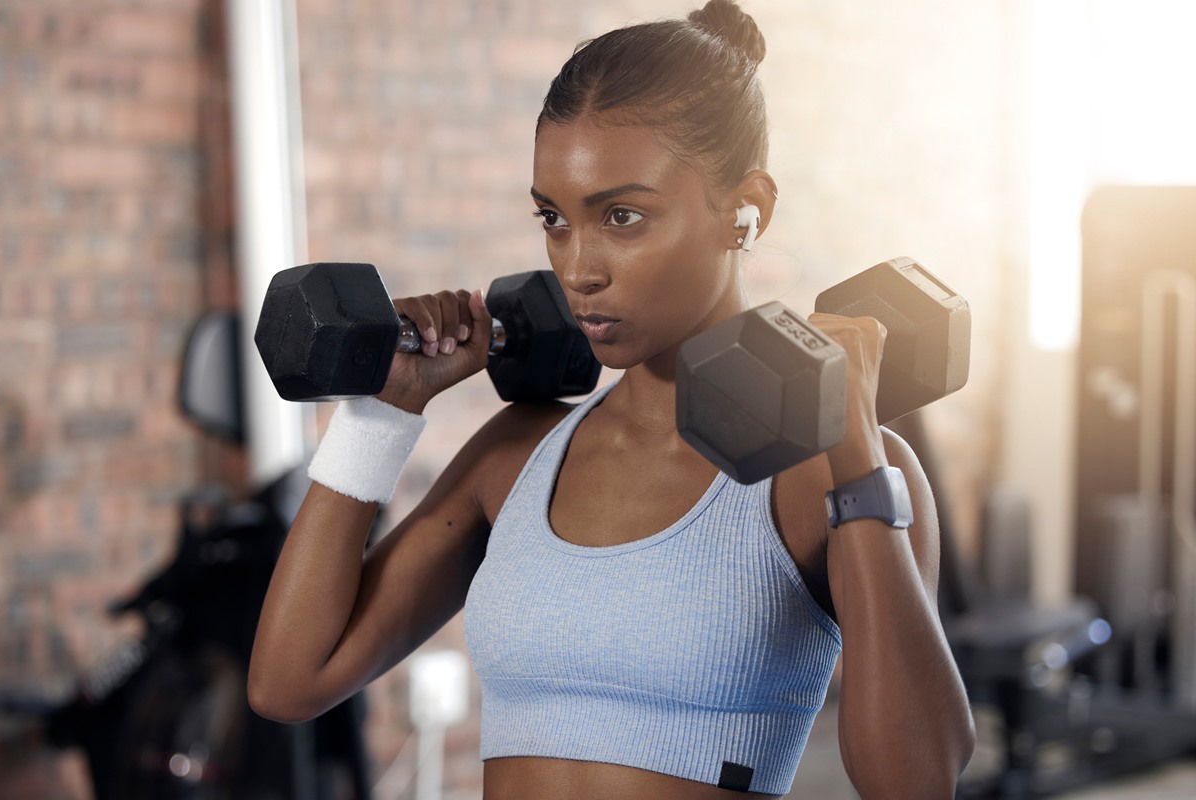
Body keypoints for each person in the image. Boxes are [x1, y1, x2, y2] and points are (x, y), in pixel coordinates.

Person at [247, 1, 976, 797]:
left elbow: (915, 781)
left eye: (623, 217)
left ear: (747, 212)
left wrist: (856, 448)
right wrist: (382, 414)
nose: (578, 267)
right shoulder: (517, 455)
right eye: (554, 219)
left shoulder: (825, 474)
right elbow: (290, 683)